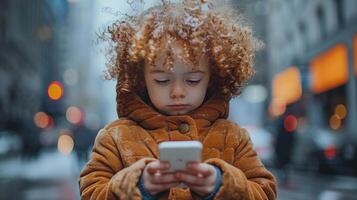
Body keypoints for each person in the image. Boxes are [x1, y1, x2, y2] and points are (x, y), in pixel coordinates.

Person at [79, 1, 276, 199]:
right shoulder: (115, 138)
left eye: (193, 80)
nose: (178, 92)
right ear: (141, 79)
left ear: (212, 78)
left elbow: (265, 192)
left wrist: (220, 183)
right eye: (162, 80)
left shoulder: (233, 138)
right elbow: (91, 192)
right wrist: (139, 184)